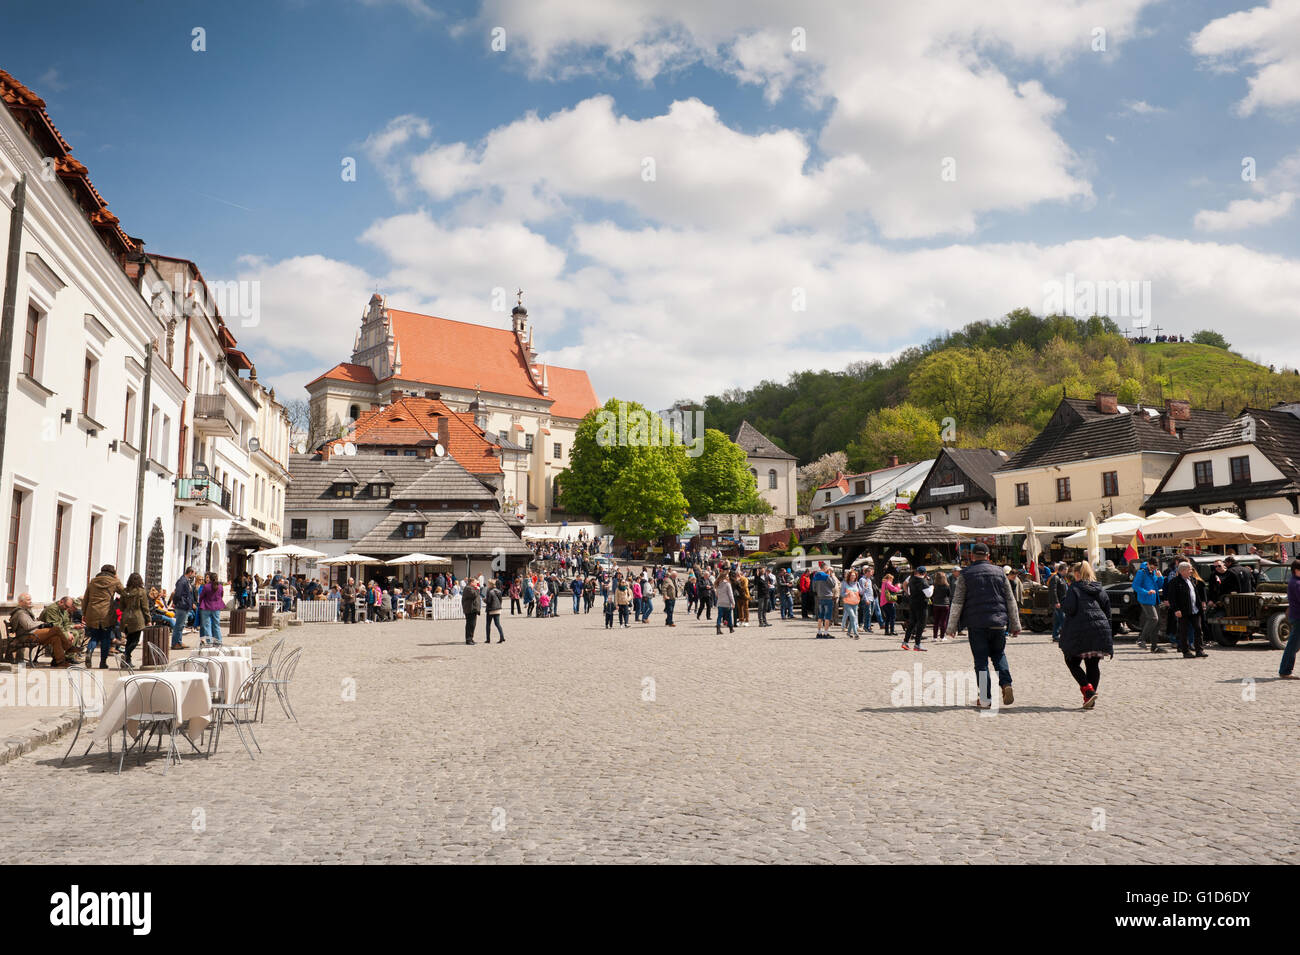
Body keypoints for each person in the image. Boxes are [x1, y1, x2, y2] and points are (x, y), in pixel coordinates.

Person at [945, 542, 1021, 708]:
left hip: (976, 624)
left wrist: (951, 628)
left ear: (972, 556)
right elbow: (1010, 600)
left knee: (981, 662)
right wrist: (1015, 624)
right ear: (988, 556)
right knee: (999, 655)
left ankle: (986, 699)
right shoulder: (1000, 573)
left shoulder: (966, 574)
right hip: (998, 623)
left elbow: (957, 601)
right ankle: (1006, 683)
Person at [1059, 561, 1114, 708]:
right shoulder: (1099, 588)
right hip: (1099, 630)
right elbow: (1107, 610)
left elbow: (1070, 609)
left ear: (1077, 574)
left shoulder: (1074, 588)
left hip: (1080, 631)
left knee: (1071, 661)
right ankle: (1090, 697)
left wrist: (1063, 601)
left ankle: (1088, 691)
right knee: (1093, 664)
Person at [10, 594, 79, 666]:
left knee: (56, 638)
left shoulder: (25, 611)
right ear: (21, 601)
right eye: (28, 600)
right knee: (56, 629)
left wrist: (40, 623)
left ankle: (60, 662)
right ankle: (68, 647)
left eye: (30, 599)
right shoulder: (20, 613)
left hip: (32, 634)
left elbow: (31, 624)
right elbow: (28, 626)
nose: (30, 601)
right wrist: (41, 623)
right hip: (27, 636)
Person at [81, 564, 125, 669]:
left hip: (92, 612)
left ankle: (89, 652)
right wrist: (117, 579)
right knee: (105, 637)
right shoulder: (114, 582)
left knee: (94, 636)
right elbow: (124, 592)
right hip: (107, 613)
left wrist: (84, 613)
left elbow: (86, 599)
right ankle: (103, 662)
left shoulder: (93, 582)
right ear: (113, 572)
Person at [1169, 560, 1209, 658]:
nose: (1191, 571)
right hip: (1183, 611)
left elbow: (1196, 594)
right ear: (1183, 571)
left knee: (1198, 629)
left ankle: (1199, 650)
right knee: (1184, 631)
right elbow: (1172, 597)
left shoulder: (1191, 580)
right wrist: (1176, 609)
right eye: (1189, 570)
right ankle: (1185, 651)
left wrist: (1201, 605)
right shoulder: (1175, 582)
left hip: (1195, 609)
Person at [1132, 556, 1164, 653]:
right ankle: (1141, 639)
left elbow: (1158, 586)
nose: (1153, 569)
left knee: (1157, 623)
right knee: (1153, 618)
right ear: (1148, 564)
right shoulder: (1142, 572)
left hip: (1155, 599)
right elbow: (1135, 586)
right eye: (1152, 567)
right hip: (1145, 599)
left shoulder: (1154, 572)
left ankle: (1154, 647)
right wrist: (1146, 592)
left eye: (1155, 568)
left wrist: (1160, 578)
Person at [119, 574, 151, 669]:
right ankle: (126, 654)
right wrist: (148, 619)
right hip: (137, 618)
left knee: (129, 639)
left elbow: (121, 607)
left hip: (125, 617)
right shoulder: (141, 592)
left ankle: (127, 660)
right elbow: (145, 607)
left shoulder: (124, 591)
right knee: (135, 640)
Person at [1278, 559, 1300, 679]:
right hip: (1298, 617)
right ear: (1296, 570)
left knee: (1294, 645)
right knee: (1292, 645)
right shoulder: (1296, 583)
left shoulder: (1295, 581)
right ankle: (1285, 670)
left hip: (1296, 615)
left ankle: (1285, 669)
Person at [903, 566, 930, 651]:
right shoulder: (923, 581)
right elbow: (929, 594)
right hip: (921, 604)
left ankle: (905, 642)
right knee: (921, 624)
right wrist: (932, 586)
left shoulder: (911, 579)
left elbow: (904, 584)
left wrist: (907, 593)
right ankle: (917, 644)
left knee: (912, 623)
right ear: (924, 573)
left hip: (912, 603)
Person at [171, 567, 197, 649]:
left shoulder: (186, 581)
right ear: (190, 572)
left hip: (185, 606)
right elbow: (177, 594)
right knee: (179, 625)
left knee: (182, 625)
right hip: (181, 606)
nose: (194, 575)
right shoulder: (182, 581)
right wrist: (175, 603)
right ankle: (175, 643)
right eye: (194, 573)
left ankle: (179, 641)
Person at [811, 561, 837, 638]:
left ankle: (819, 633)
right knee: (827, 616)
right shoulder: (826, 576)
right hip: (828, 597)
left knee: (820, 616)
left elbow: (813, 588)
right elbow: (833, 585)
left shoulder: (815, 576)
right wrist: (831, 575)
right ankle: (825, 633)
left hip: (820, 597)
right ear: (825, 568)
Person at [1048, 562, 1069, 644]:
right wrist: (1056, 602)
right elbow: (1053, 591)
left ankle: (1056, 635)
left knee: (1057, 619)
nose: (1067, 572)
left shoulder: (1062, 578)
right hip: (1059, 602)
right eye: (1066, 570)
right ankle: (1063, 635)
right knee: (1062, 618)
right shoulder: (1055, 578)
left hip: (1062, 601)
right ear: (1062, 570)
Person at [841, 569, 862, 639]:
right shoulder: (845, 583)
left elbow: (861, 592)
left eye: (854, 576)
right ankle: (856, 634)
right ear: (849, 576)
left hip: (855, 603)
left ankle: (848, 632)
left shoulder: (857, 583)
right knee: (853, 617)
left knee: (853, 618)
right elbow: (842, 593)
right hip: (847, 603)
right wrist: (846, 594)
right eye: (852, 576)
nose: (853, 577)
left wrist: (864, 587)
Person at [930, 571, 951, 642]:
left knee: (936, 621)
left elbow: (932, 594)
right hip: (945, 604)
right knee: (943, 621)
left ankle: (935, 637)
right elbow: (949, 595)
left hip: (936, 604)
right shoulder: (947, 586)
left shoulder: (934, 585)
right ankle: (942, 637)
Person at [483, 579, 505, 643]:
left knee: (488, 624)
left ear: (490, 584)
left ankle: (488, 639)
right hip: (498, 609)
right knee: (498, 624)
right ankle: (502, 636)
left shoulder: (489, 591)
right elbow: (501, 600)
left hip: (491, 609)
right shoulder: (499, 591)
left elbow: (489, 601)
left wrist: (484, 600)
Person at [462, 580, 481, 645]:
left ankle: (471, 638)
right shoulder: (468, 588)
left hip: (472, 609)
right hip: (470, 609)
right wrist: (478, 590)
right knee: (470, 625)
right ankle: (468, 639)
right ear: (471, 582)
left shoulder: (471, 588)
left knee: (472, 625)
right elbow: (474, 595)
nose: (477, 583)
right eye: (476, 582)